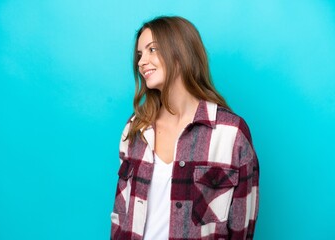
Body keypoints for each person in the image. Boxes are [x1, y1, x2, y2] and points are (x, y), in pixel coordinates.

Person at [110, 16, 259, 240]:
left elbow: (241, 228)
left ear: (180, 52)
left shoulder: (231, 133)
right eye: (140, 55)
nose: (141, 62)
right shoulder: (135, 128)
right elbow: (120, 217)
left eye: (152, 50)